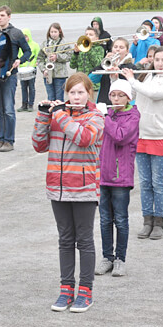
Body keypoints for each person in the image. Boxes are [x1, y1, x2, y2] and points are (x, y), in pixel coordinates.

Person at [33, 73, 104, 313]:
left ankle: (85, 291)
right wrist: (44, 115)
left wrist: (59, 115)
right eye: (71, 92)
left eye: (80, 92)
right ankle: (66, 289)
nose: (75, 96)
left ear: (89, 94)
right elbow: (39, 145)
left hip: (84, 188)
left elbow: (83, 138)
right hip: (58, 188)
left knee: (84, 240)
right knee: (64, 240)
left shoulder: (96, 117)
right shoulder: (57, 117)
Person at [123, 46, 163, 240]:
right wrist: (125, 75)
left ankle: (159, 222)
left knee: (158, 183)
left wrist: (132, 79)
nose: (160, 64)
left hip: (160, 136)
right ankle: (147, 221)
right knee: (145, 183)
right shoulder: (148, 76)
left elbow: (153, 94)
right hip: (141, 135)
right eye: (157, 60)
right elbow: (132, 93)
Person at [95, 79, 139, 278]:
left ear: (128, 97)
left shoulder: (133, 115)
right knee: (105, 220)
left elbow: (120, 136)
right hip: (103, 175)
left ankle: (120, 258)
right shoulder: (108, 114)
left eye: (121, 95)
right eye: (113, 95)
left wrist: (104, 116)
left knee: (120, 219)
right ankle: (107, 257)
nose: (116, 98)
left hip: (121, 177)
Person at [0, 5, 31, 152]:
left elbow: (28, 51)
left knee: (8, 109)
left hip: (10, 75)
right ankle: (0, 139)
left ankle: (9, 141)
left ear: (9, 17)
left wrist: (20, 60)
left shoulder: (16, 33)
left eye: (2, 15)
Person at [91, 37, 134, 104]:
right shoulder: (106, 66)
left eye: (121, 47)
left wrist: (119, 72)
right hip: (104, 103)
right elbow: (91, 79)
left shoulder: (131, 67)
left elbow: (132, 86)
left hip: (123, 105)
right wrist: (103, 65)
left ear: (127, 51)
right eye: (115, 47)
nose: (117, 49)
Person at [37, 23, 70, 102]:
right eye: (51, 32)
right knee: (50, 97)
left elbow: (69, 56)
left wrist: (57, 57)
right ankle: (51, 113)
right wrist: (43, 70)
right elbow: (39, 58)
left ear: (60, 32)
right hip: (48, 75)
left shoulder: (64, 43)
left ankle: (59, 113)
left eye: (55, 32)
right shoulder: (45, 44)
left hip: (60, 75)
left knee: (59, 98)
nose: (53, 34)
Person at [70, 27, 104, 98]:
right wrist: (75, 53)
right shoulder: (81, 49)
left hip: (93, 86)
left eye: (91, 35)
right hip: (80, 85)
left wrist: (89, 49)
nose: (88, 36)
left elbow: (97, 64)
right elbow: (72, 66)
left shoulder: (99, 49)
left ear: (97, 38)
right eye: (86, 34)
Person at [17, 28, 40, 112]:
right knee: (23, 87)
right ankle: (24, 104)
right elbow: (18, 56)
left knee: (31, 87)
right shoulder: (20, 47)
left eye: (26, 36)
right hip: (22, 69)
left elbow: (39, 55)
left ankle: (31, 104)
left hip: (31, 68)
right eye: (23, 37)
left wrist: (36, 62)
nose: (25, 38)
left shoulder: (35, 45)